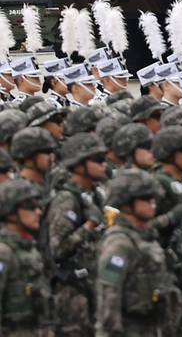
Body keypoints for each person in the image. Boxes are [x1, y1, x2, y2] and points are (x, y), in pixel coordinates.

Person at [96, 169, 181, 337]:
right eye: (145, 198)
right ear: (127, 203)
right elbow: (109, 295)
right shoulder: (120, 242)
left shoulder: (145, 237)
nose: (152, 202)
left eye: (153, 197)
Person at [45, 133, 109, 337]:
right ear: (79, 164)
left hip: (94, 286)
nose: (104, 164)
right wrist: (88, 227)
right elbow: (56, 248)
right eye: (97, 159)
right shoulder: (67, 199)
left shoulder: (96, 194)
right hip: (72, 292)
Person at [0, 179, 51, 335]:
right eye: (30, 206)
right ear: (10, 211)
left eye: (38, 205)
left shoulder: (29, 248)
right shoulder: (4, 253)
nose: (38, 212)